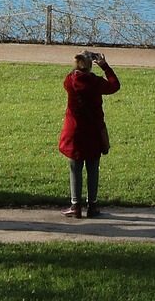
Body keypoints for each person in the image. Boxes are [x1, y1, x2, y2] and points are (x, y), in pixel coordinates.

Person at [57, 50, 119, 218]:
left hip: (74, 131)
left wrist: (81, 58)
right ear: (91, 65)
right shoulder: (96, 82)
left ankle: (75, 205)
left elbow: (71, 74)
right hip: (93, 130)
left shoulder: (69, 81)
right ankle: (92, 206)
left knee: (75, 168)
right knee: (93, 169)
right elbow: (115, 85)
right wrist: (105, 66)